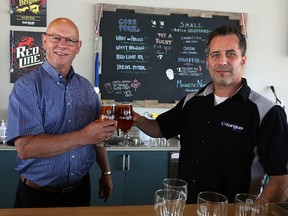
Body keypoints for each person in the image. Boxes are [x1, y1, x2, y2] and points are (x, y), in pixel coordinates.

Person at [133, 25, 288, 203]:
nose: (222, 61)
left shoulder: (267, 112)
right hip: (188, 208)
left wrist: (253, 212)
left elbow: (281, 180)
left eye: (231, 54)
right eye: (216, 55)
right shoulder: (192, 101)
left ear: (243, 61)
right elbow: (159, 128)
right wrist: (137, 119)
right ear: (207, 61)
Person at [6, 17, 117, 208]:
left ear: (78, 47)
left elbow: (97, 137)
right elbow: (26, 148)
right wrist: (83, 136)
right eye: (56, 38)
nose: (62, 45)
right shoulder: (26, 87)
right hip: (37, 197)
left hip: (80, 192)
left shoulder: (86, 88)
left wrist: (105, 172)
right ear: (44, 41)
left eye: (70, 40)